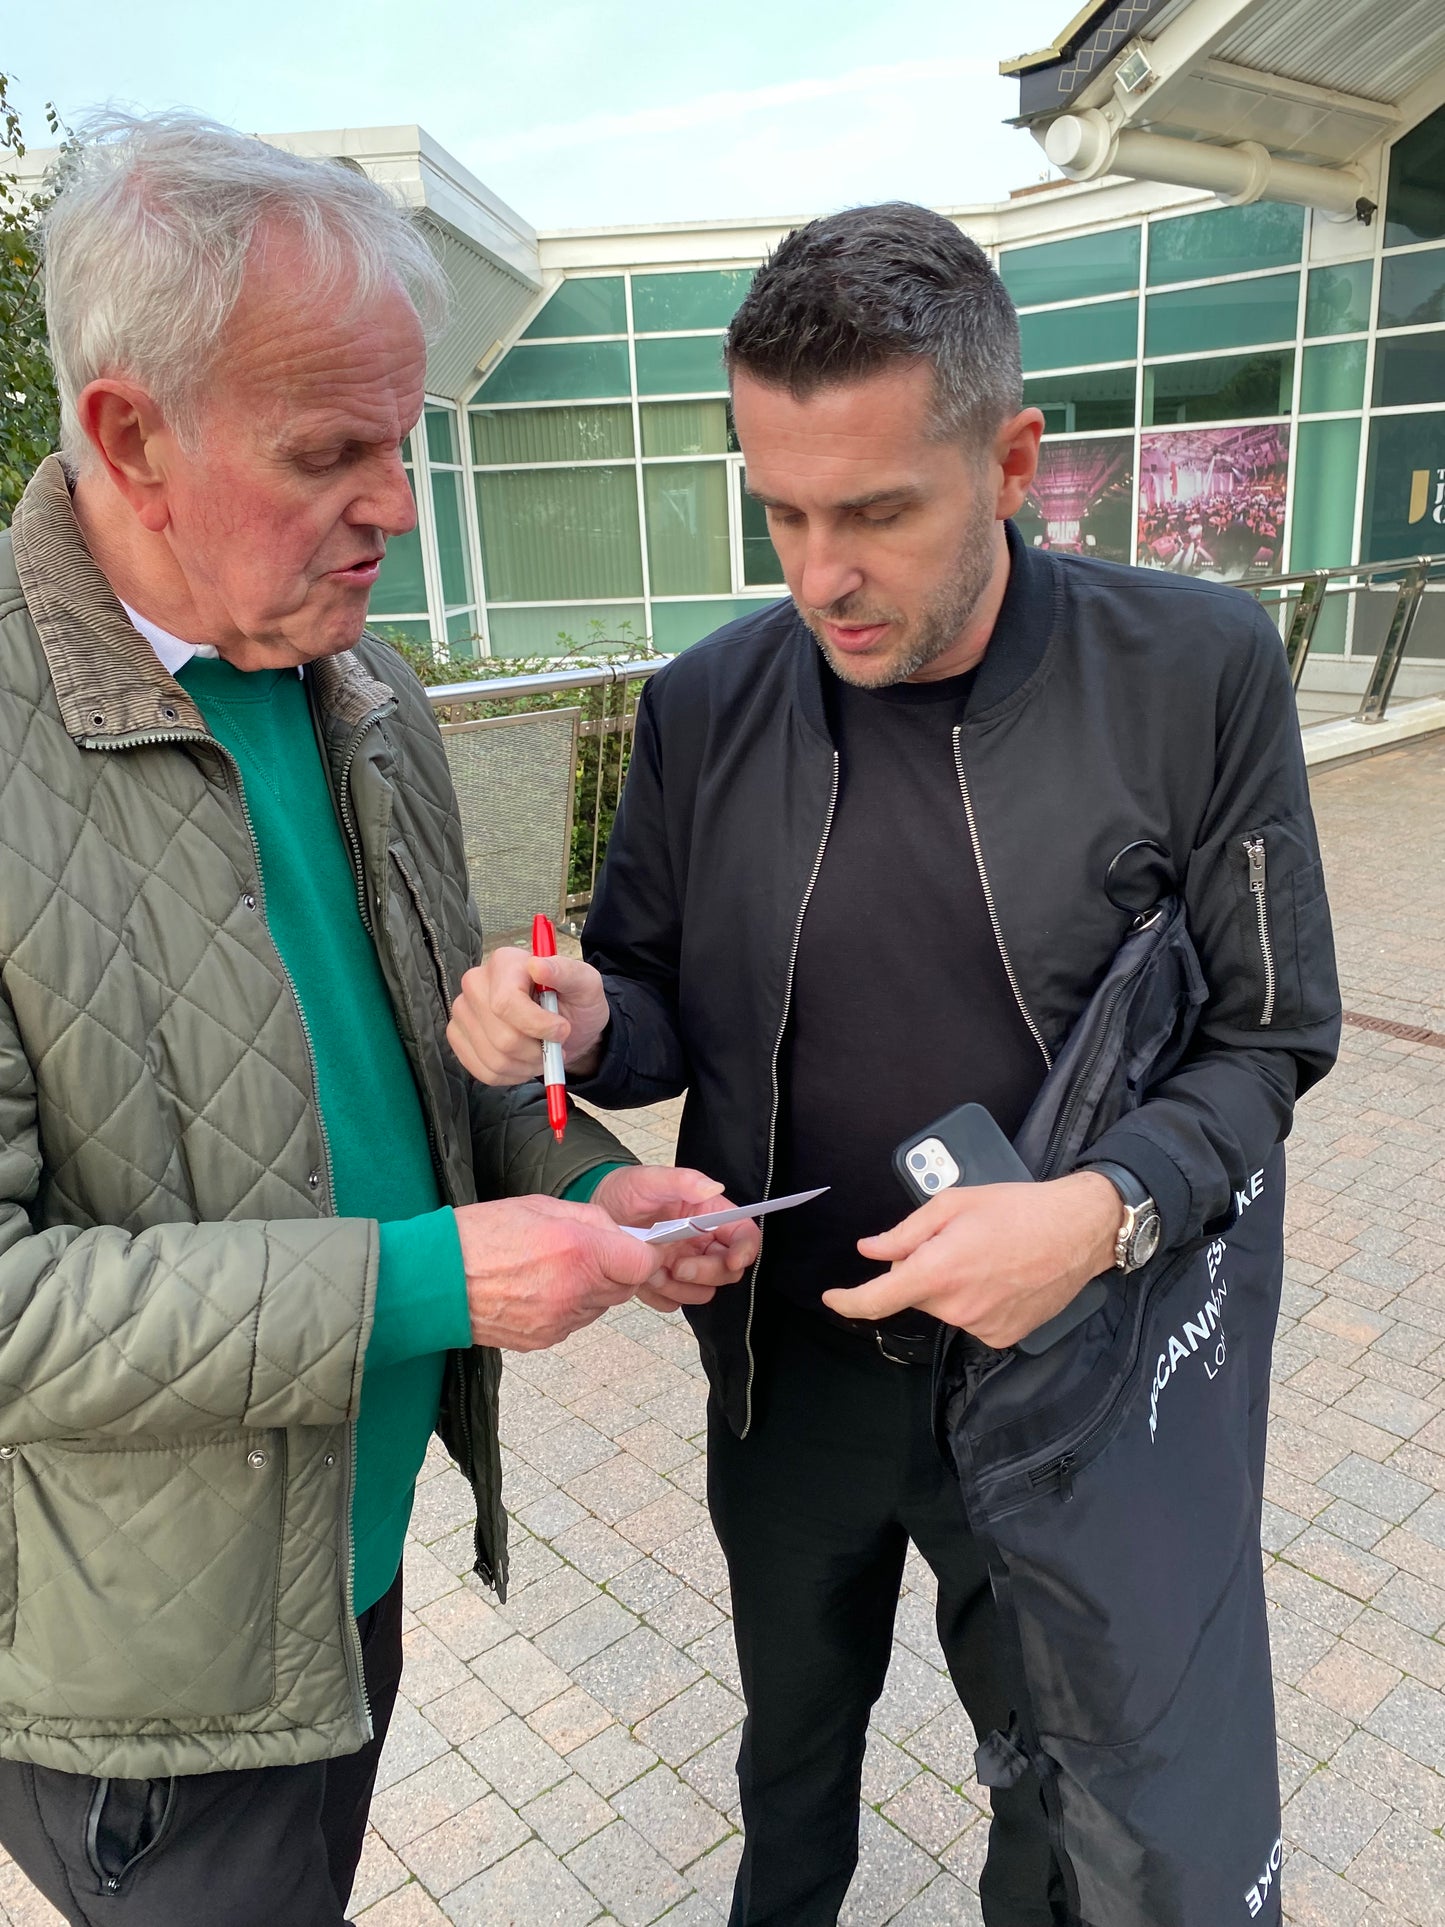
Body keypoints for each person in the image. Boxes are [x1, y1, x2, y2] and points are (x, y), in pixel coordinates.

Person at [448, 204, 1340, 1927]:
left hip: (1063, 1377)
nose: (816, 574)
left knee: (1051, 1786)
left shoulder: (1194, 674)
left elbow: (1270, 1034)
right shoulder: (709, 701)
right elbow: (644, 989)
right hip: (786, 1370)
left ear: (1011, 460)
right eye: (777, 509)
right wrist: (569, 1022)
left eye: (872, 512)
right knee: (791, 1760)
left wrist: (1097, 1217)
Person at [0, 112, 758, 1927]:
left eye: (403, 442)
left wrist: (579, 1178)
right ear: (129, 436)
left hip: (342, 1564)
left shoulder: (365, 693)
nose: (397, 508)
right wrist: (434, 1284)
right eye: (330, 450)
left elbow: (441, 1060)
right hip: (146, 1675)